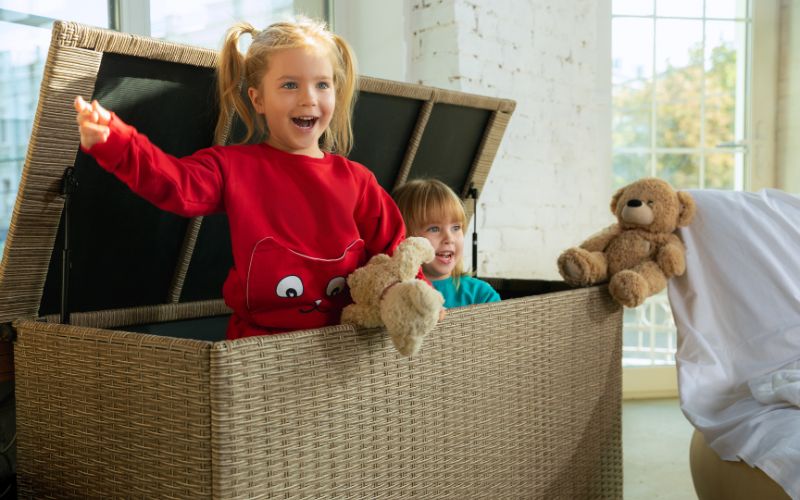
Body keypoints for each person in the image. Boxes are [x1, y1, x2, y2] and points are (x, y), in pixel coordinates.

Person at [74, 17, 417, 340]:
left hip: (340, 346)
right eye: (289, 85)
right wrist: (118, 142)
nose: (308, 98)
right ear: (258, 99)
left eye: (322, 84)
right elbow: (176, 185)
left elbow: (396, 245)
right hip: (255, 351)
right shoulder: (233, 167)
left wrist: (417, 297)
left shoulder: (357, 179)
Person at [393, 179, 500, 308]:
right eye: (434, 229)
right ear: (404, 238)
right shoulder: (391, 294)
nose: (449, 238)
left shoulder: (481, 295)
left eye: (456, 228)